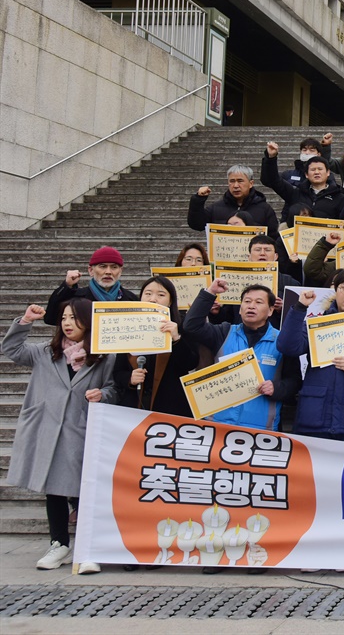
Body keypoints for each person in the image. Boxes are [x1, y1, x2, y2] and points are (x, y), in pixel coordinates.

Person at [5, 299, 116, 574]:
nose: (67, 323)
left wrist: (103, 394)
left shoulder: (104, 356)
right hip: (46, 429)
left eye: (74, 318)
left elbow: (114, 387)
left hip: (80, 430)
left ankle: (88, 548)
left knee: (84, 491)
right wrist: (26, 321)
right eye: (64, 318)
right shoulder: (45, 352)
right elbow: (11, 350)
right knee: (53, 490)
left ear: (89, 323)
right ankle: (59, 543)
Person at [279, 269, 344, 443]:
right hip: (314, 418)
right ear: (336, 290)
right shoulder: (318, 324)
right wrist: (299, 308)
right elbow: (288, 346)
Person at [182, 280, 298, 432]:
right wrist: (210, 293)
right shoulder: (224, 332)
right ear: (240, 309)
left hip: (261, 429)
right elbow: (191, 326)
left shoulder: (282, 341)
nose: (251, 306)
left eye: (258, 302)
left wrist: (276, 388)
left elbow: (294, 381)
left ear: (270, 310)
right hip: (217, 424)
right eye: (247, 301)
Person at [112, 276, 200, 417]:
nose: (153, 299)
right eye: (148, 294)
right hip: (134, 410)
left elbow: (190, 363)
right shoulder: (128, 327)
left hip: (171, 409)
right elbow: (118, 372)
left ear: (170, 301)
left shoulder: (182, 326)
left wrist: (176, 338)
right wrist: (130, 378)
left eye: (161, 295)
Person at [44, 246, 137, 325]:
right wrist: (67, 285)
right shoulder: (76, 297)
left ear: (120, 271)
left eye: (114, 267)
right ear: (91, 270)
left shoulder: (132, 300)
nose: (108, 272)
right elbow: (51, 318)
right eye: (102, 266)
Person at [262, 142, 344, 223]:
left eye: (320, 169)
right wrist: (271, 158)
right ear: (306, 174)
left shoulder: (339, 197)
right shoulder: (296, 193)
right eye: (313, 169)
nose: (316, 172)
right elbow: (273, 180)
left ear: (328, 173)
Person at [187, 164, 280, 238]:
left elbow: (273, 237)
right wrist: (198, 199)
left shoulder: (264, 209)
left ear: (251, 183)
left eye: (240, 181)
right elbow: (196, 224)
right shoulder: (216, 208)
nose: (235, 185)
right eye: (232, 181)